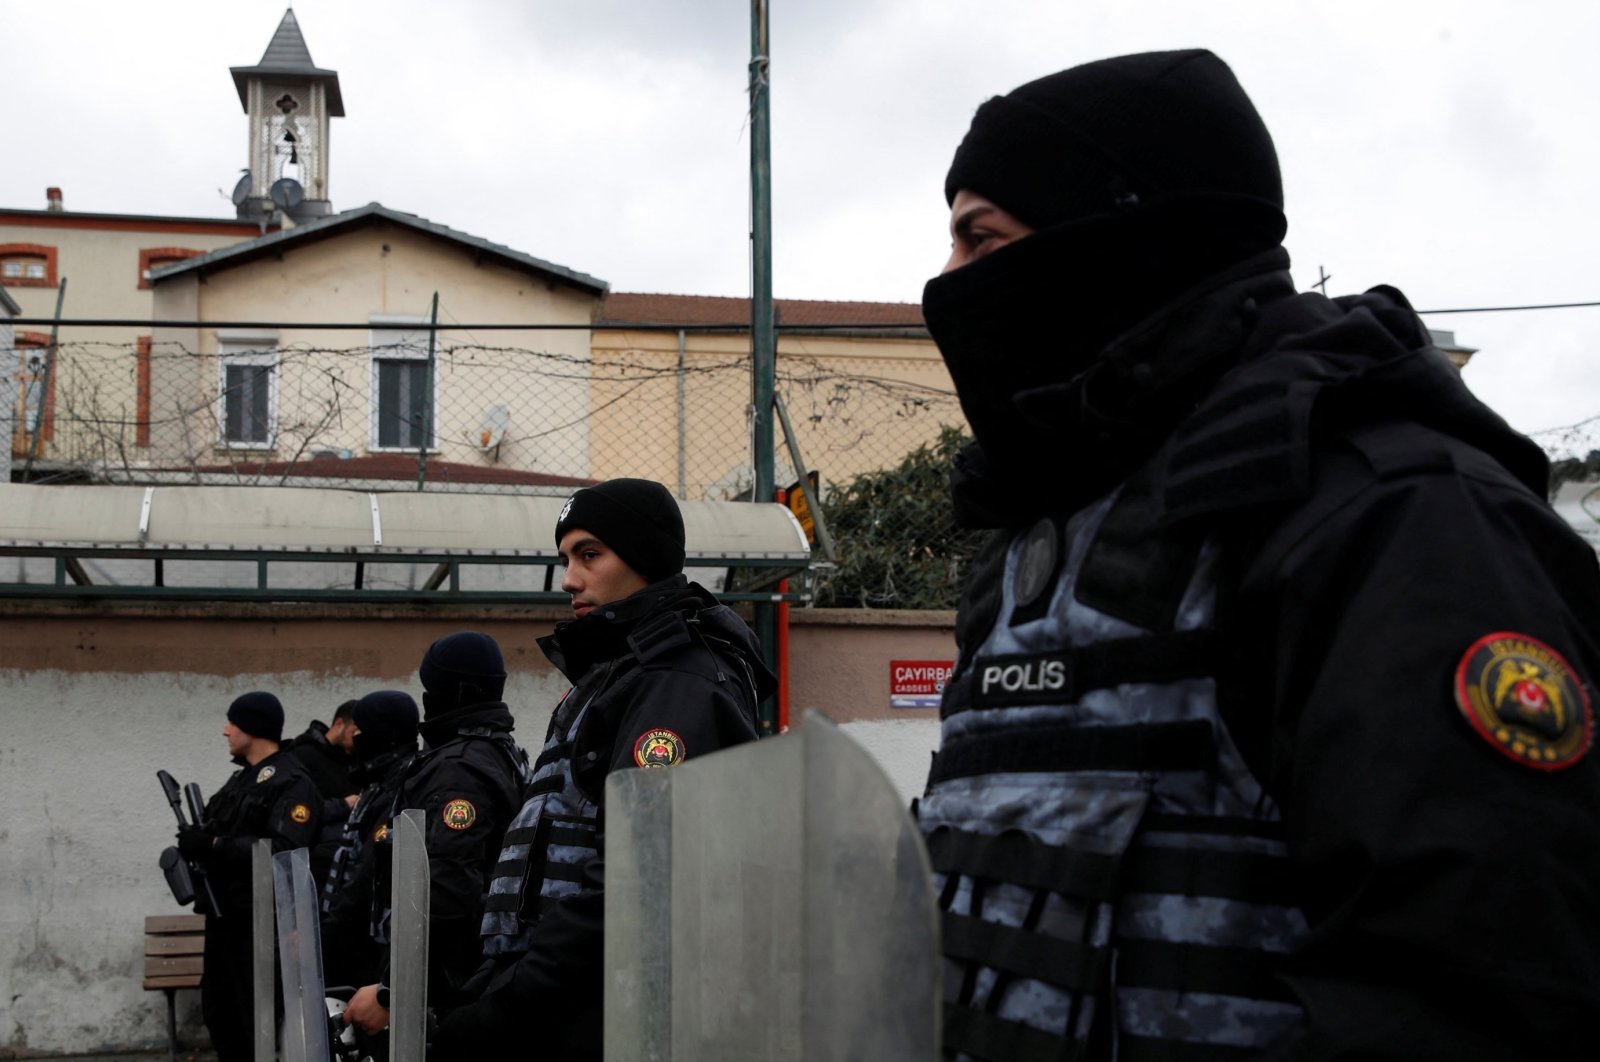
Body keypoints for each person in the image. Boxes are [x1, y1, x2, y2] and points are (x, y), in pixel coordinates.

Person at [915, 49, 1600, 1060]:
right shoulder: (1042, 545)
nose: (947, 285)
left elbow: (1488, 991)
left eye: (983, 239)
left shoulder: (1393, 521)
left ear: (1128, 244)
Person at [428, 477, 774, 1060]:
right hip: (573, 1004)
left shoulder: (674, 681)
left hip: (610, 1015)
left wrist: (510, 1005)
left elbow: (643, 878)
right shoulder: (621, 674)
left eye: (590, 554)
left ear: (644, 556)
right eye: (566, 558)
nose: (569, 578)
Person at [342, 632, 530, 1034]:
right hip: (466, 977)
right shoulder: (497, 753)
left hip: (449, 985)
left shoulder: (458, 768)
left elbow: (446, 891)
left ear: (455, 692)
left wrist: (395, 992)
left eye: (431, 688)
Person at [176, 691, 321, 1062]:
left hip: (260, 924)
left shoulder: (292, 781)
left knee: (254, 1019)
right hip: (223, 918)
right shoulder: (240, 781)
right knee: (219, 1014)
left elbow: (285, 849)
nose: (226, 731)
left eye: (233, 723)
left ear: (254, 728)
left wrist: (216, 845)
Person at [321, 690, 422, 990]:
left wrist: (328, 935)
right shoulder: (376, 783)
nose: (355, 741)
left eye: (360, 732)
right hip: (353, 941)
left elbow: (368, 872)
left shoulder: (402, 783)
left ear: (382, 735)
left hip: (370, 949)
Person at [282, 699, 361, 887]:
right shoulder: (302, 756)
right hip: (312, 862)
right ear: (339, 724)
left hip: (347, 861)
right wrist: (345, 804)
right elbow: (297, 811)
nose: (359, 738)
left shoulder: (355, 759)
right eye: (354, 732)